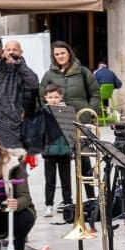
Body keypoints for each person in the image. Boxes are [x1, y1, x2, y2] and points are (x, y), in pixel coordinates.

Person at [40, 84, 76, 218]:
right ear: (46, 98)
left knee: (66, 180)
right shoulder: (43, 112)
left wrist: (72, 148)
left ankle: (68, 203)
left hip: (64, 150)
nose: (53, 100)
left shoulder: (67, 111)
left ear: (61, 97)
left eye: (56, 97)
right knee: (50, 181)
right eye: (50, 97)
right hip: (49, 151)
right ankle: (48, 205)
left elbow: (71, 131)